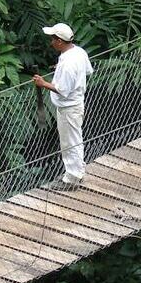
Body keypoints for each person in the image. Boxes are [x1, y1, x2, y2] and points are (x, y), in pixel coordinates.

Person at [33, 23, 94, 191]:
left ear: (60, 41)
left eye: (53, 39)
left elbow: (63, 90)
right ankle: (76, 172)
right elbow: (88, 71)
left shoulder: (68, 64)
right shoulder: (78, 52)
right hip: (77, 104)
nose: (51, 42)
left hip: (68, 108)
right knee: (75, 140)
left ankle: (72, 179)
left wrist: (43, 83)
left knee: (69, 143)